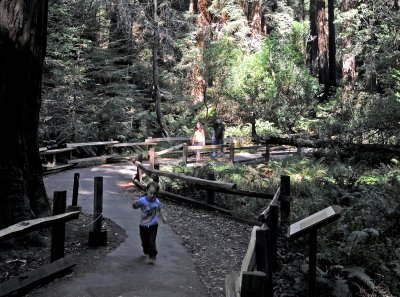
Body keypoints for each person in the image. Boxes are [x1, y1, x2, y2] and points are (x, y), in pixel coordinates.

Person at [132, 182, 166, 264]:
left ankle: (152, 256)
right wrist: (134, 204)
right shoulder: (142, 200)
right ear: (147, 190)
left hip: (153, 225)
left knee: (152, 241)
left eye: (154, 194)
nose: (152, 195)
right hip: (143, 225)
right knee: (144, 241)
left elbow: (160, 210)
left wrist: (163, 217)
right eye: (150, 193)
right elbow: (135, 206)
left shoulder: (157, 202)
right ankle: (145, 248)